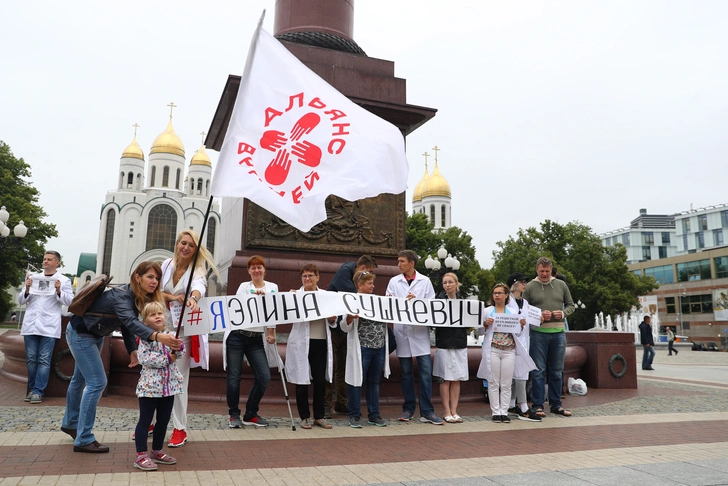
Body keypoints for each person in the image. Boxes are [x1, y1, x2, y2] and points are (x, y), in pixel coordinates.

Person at [62, 261, 182, 453]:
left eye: (157, 278)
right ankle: (83, 438)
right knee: (96, 382)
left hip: (95, 333)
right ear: (137, 277)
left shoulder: (135, 296)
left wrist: (132, 349)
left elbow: (126, 324)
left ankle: (70, 423)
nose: (154, 282)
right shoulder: (121, 295)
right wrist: (159, 336)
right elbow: (129, 321)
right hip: (81, 333)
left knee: (80, 380)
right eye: (150, 277)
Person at [160, 229, 219, 448]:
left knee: (178, 378)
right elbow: (153, 289)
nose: (185, 247)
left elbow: (199, 287)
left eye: (191, 245)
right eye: (183, 243)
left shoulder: (198, 270)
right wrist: (171, 296)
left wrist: (193, 299)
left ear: (196, 250)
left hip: (183, 332)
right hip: (161, 328)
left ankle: (179, 428)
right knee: (154, 374)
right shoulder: (165, 265)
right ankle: (152, 421)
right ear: (177, 244)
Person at [386, 250, 443, 425]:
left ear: (412, 263)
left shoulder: (424, 281)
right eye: (398, 261)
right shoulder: (394, 281)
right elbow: (388, 303)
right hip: (402, 332)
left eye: (402, 261)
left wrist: (417, 301)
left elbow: (432, 305)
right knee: (406, 373)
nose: (399, 264)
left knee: (426, 373)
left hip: (420, 334)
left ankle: (427, 411)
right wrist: (404, 300)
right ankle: (408, 408)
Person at [224, 255, 277, 428]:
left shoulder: (273, 287)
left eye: (259, 267)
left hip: (256, 339)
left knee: (264, 376)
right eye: (253, 268)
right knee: (234, 377)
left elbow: (273, 312)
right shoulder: (243, 287)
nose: (256, 270)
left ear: (264, 269)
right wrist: (256, 298)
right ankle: (234, 414)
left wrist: (271, 333)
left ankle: (251, 413)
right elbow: (241, 307)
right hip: (237, 336)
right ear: (248, 271)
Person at [324, 255, 378, 418]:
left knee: (342, 368)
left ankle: (340, 402)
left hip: (346, 329)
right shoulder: (344, 271)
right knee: (331, 367)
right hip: (335, 327)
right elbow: (355, 297)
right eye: (370, 272)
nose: (370, 277)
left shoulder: (348, 271)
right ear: (363, 269)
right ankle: (326, 405)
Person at [18, 251, 73, 404]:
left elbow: (70, 301)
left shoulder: (63, 280)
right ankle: (31, 388)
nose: (45, 261)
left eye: (49, 259)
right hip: (31, 325)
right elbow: (21, 300)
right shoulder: (34, 278)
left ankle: (37, 391)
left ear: (57, 263)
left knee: (43, 360)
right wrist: (27, 289)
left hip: (49, 326)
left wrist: (59, 290)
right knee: (30, 359)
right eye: (44, 259)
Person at [133, 302, 182, 471]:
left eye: (160, 313)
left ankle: (157, 450)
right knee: (145, 421)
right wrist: (168, 359)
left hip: (168, 387)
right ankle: (141, 454)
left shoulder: (170, 335)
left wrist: (179, 347)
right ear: (145, 321)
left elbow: (178, 354)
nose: (158, 317)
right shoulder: (145, 339)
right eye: (153, 315)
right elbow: (146, 359)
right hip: (150, 388)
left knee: (163, 420)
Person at [523, 256, 575, 418]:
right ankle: (538, 406)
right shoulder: (530, 287)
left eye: (547, 271)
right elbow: (523, 310)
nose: (544, 274)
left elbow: (571, 305)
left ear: (552, 270)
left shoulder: (561, 285)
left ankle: (556, 405)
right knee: (538, 371)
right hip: (538, 334)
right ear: (536, 270)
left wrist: (563, 313)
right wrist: (538, 315)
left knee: (557, 371)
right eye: (541, 271)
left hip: (558, 333)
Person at [286, 264, 334, 429]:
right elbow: (284, 313)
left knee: (320, 381)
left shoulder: (326, 296)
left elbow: (333, 322)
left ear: (318, 277)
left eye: (311, 276)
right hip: (301, 343)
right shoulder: (294, 296)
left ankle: (319, 416)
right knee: (302, 380)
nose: (307, 279)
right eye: (305, 276)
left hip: (319, 341)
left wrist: (332, 319)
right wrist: (287, 299)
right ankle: (304, 417)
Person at [342, 270, 390, 428]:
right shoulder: (352, 301)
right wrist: (349, 316)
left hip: (379, 347)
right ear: (359, 285)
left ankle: (374, 415)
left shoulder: (378, 300)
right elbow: (344, 327)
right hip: (362, 347)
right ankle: (354, 415)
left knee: (374, 382)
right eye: (369, 283)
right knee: (357, 381)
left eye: (372, 283)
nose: (373, 286)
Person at [477, 283, 530, 423]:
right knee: (493, 382)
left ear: (506, 295)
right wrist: (484, 324)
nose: (497, 295)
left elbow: (518, 332)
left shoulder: (513, 312)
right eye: (495, 293)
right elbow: (479, 332)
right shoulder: (487, 311)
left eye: (500, 293)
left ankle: (504, 411)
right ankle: (496, 412)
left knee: (506, 383)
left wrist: (522, 325)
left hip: (509, 350)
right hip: (493, 349)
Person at [505, 272, 542, 422]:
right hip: (511, 342)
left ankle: (512, 404)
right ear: (515, 284)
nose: (525, 284)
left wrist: (539, 319)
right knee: (520, 376)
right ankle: (524, 408)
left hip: (524, 342)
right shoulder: (507, 302)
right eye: (522, 282)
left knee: (518, 375)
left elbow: (530, 321)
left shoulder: (525, 303)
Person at [433, 272, 468, 423]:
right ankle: (446, 411)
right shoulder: (439, 301)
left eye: (450, 282)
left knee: (457, 379)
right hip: (444, 343)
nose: (447, 285)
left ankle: (454, 410)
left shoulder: (463, 302)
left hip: (459, 343)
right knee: (445, 379)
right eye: (444, 282)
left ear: (456, 284)